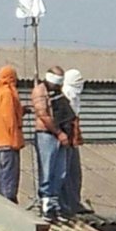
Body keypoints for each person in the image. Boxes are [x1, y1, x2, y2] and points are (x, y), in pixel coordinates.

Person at [32, 66, 70, 222]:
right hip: (46, 134)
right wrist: (58, 132)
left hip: (61, 134)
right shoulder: (40, 91)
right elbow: (43, 114)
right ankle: (46, 205)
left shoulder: (58, 92)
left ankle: (55, 205)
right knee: (47, 170)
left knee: (60, 171)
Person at [0, 65, 25, 203]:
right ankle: (9, 204)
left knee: (3, 175)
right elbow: (8, 117)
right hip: (8, 141)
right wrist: (17, 126)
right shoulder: (7, 93)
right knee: (10, 177)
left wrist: (21, 111)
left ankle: (3, 203)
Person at [59, 69, 90, 217]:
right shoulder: (65, 94)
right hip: (65, 139)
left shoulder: (75, 96)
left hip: (73, 139)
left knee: (75, 173)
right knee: (66, 173)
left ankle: (74, 202)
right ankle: (66, 204)